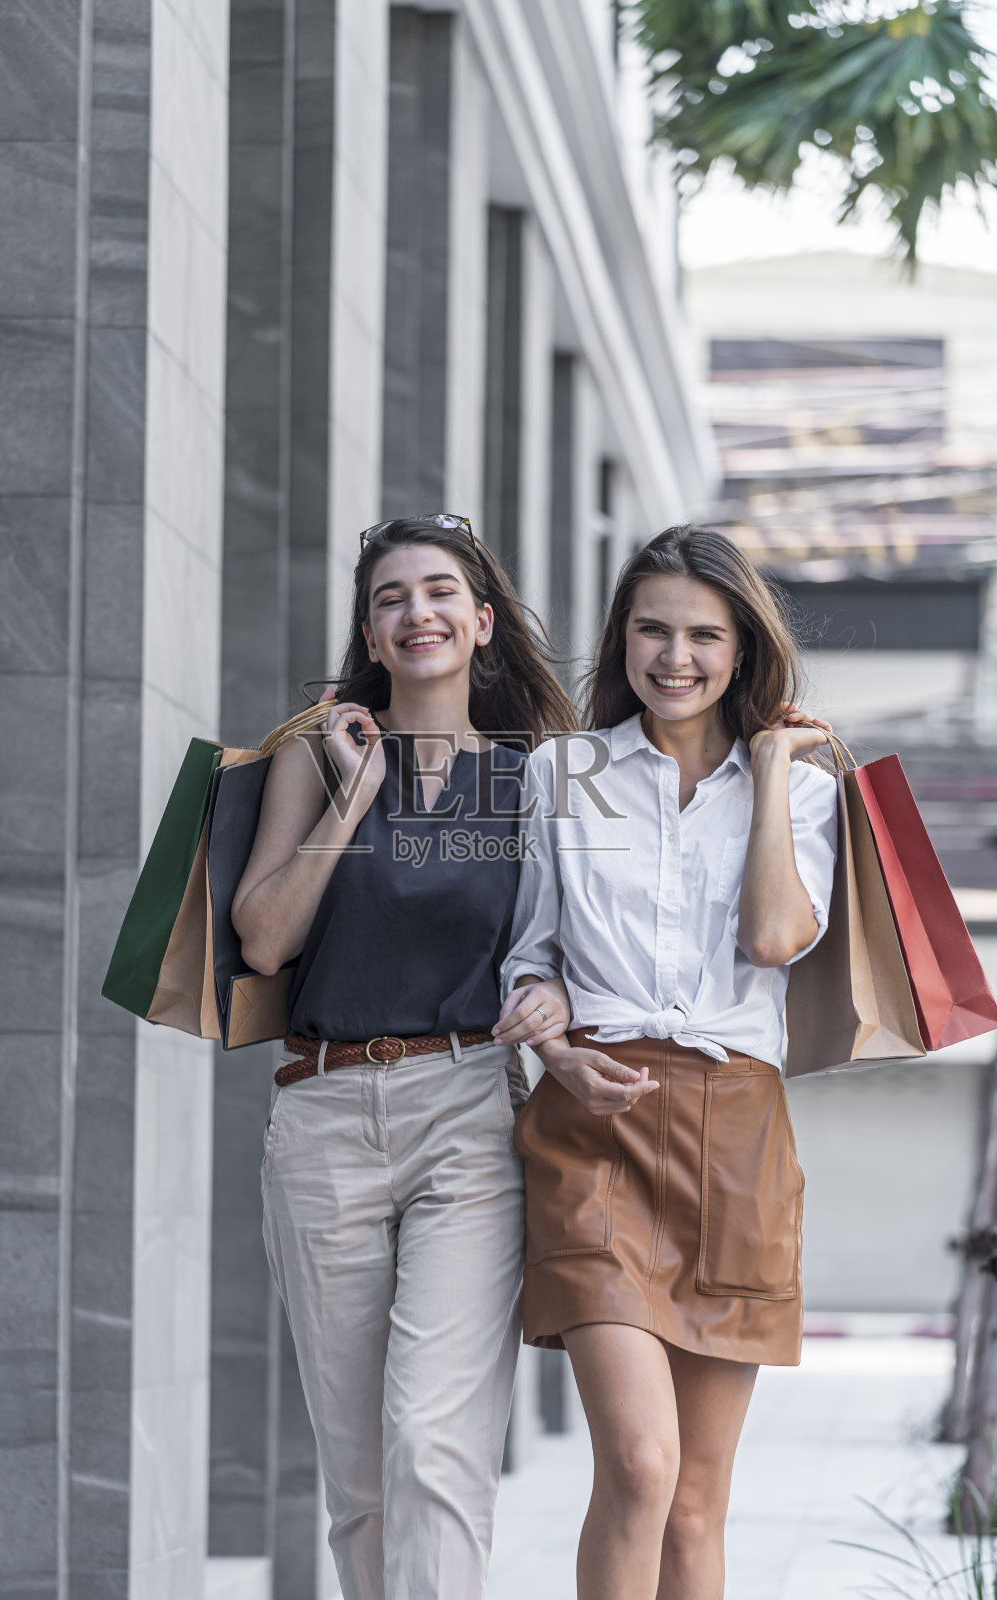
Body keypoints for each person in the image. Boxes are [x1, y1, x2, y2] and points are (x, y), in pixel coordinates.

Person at [232, 514, 575, 1600]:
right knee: (363, 1477)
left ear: (480, 623)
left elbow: (567, 940)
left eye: (439, 592)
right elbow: (265, 937)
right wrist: (354, 796)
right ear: (372, 637)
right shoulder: (313, 755)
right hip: (324, 1117)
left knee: (434, 1444)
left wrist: (553, 986)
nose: (416, 610)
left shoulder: (534, 780)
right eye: (390, 598)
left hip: (468, 1113)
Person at [501, 525, 838, 1600]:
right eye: (653, 628)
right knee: (640, 1466)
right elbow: (524, 956)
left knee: (697, 1502)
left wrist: (774, 766)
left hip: (735, 1137)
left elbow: (775, 937)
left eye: (704, 633)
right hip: (595, 1127)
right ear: (622, 637)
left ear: (743, 650)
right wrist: (553, 1045)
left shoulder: (805, 789)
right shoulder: (564, 771)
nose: (675, 655)